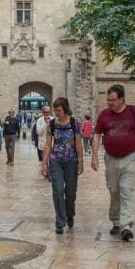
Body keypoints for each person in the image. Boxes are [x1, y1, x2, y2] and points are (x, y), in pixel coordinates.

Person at [92, 84, 135, 242]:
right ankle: (116, 221)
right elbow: (96, 136)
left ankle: (126, 226)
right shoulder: (103, 115)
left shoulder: (132, 111)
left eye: (113, 100)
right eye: (108, 100)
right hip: (110, 158)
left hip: (129, 157)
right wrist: (94, 156)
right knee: (114, 190)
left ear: (121, 99)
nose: (110, 103)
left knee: (126, 190)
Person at [42, 97, 84, 235]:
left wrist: (81, 161)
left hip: (71, 161)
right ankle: (60, 222)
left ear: (65, 109)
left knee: (70, 192)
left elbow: (78, 144)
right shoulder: (52, 124)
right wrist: (44, 163)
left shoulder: (74, 123)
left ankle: (70, 214)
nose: (57, 113)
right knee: (58, 191)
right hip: (56, 161)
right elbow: (48, 144)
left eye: (59, 110)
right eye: (55, 110)